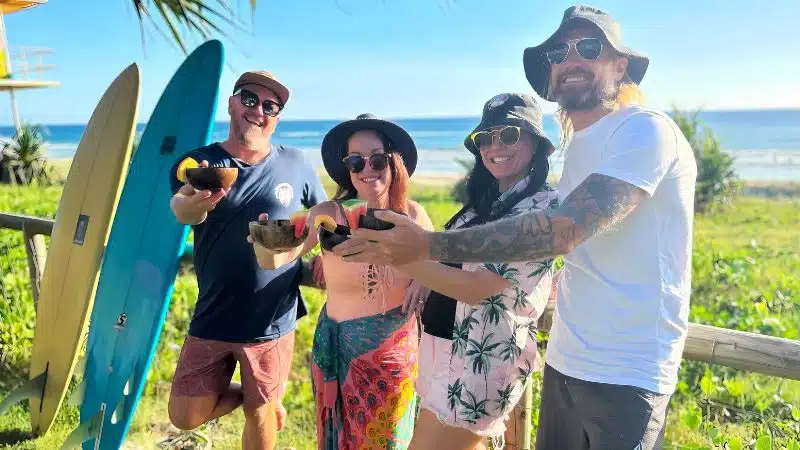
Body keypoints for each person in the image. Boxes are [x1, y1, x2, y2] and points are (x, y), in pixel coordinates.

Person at [332, 5, 698, 450]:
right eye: (559, 52)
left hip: (625, 368)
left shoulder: (645, 130)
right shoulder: (577, 149)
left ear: (619, 65)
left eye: (588, 47)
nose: (571, 59)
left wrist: (419, 248)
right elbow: (578, 254)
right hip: (564, 358)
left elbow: (564, 230)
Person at [167, 70, 327, 450]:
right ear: (232, 103)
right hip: (213, 316)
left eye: (270, 106)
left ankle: (265, 404)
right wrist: (187, 206)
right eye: (249, 99)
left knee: (260, 422)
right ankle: (261, 398)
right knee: (183, 416)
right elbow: (185, 208)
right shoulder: (199, 163)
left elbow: (324, 217)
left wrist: (306, 252)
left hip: (271, 322)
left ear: (277, 118)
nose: (258, 110)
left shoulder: (296, 163)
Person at [257, 113, 433, 449]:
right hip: (335, 350)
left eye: (377, 160)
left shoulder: (413, 215)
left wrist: (424, 281)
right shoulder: (327, 214)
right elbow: (281, 257)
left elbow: (437, 261)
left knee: (390, 442)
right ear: (347, 169)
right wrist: (264, 246)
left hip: (393, 356)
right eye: (356, 162)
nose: (367, 169)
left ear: (394, 163)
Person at [395, 93, 559, 450]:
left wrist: (393, 255)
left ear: (535, 143)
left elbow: (477, 288)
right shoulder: (484, 204)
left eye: (509, 135)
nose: (494, 145)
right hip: (444, 355)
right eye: (486, 138)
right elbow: (451, 257)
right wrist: (428, 275)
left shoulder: (542, 209)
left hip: (482, 366)